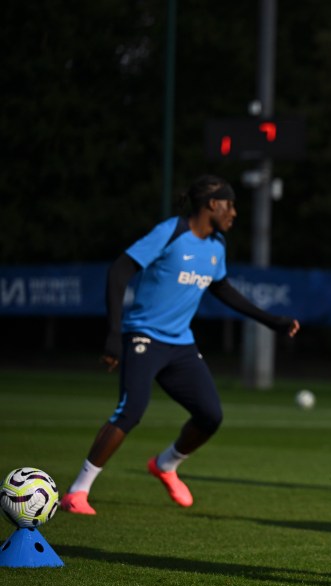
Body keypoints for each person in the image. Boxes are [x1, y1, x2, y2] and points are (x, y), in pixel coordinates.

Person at [60, 175, 300, 516]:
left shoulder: (217, 245)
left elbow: (222, 290)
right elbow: (119, 270)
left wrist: (271, 321)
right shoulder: (171, 232)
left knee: (210, 415)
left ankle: (165, 464)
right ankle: (77, 492)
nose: (234, 213)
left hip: (180, 345)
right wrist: (115, 333)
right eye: (230, 205)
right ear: (212, 205)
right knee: (131, 411)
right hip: (143, 336)